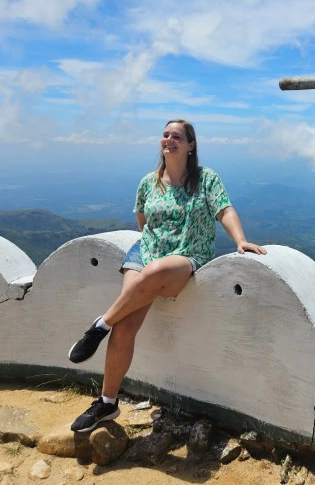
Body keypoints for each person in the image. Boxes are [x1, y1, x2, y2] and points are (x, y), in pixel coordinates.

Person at [67, 119, 266, 432]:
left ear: (191, 145)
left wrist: (240, 239)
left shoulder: (206, 178)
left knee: (154, 274)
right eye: (165, 135)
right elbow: (142, 220)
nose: (169, 140)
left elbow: (224, 210)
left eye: (177, 136)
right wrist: (155, 244)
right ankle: (107, 403)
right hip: (144, 252)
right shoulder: (148, 182)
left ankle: (98, 325)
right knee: (125, 326)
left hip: (187, 254)